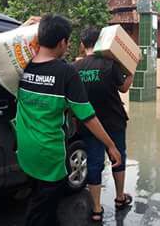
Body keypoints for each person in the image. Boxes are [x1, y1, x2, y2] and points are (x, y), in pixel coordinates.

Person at [15, 15, 122, 226]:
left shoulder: (22, 66)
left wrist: (22, 28)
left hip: (25, 151)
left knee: (43, 203)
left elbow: (4, 49)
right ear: (63, 42)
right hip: (49, 155)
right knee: (40, 210)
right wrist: (111, 145)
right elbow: (87, 116)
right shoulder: (66, 73)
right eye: (68, 41)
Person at [73, 27, 134, 222]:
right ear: (100, 42)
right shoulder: (110, 64)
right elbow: (123, 88)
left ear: (82, 45)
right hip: (114, 122)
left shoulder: (74, 69)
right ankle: (119, 198)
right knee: (118, 157)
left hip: (89, 125)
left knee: (94, 163)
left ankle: (97, 209)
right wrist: (132, 70)